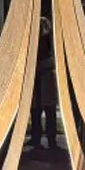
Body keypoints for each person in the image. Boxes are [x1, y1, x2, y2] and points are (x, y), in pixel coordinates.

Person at [31, 17, 59, 150]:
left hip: (45, 79)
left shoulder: (48, 40)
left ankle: (50, 140)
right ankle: (37, 139)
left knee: (48, 112)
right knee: (37, 112)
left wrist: (41, 66)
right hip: (37, 79)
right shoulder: (35, 41)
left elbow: (53, 58)